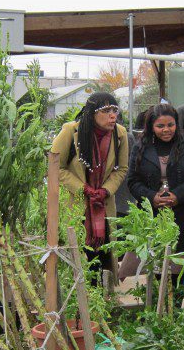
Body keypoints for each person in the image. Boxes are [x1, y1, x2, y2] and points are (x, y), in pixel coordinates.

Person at [50, 92, 129, 283]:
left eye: (115, 110)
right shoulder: (71, 131)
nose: (113, 116)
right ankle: (77, 305)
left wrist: (105, 190)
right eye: (106, 111)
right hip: (77, 205)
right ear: (92, 113)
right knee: (77, 256)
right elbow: (54, 166)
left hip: (103, 205)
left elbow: (122, 168)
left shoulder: (119, 134)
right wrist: (83, 188)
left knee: (101, 257)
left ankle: (99, 301)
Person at [126, 103, 184, 297]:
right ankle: (158, 310)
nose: (166, 130)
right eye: (160, 126)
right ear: (151, 127)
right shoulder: (140, 147)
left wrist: (178, 195)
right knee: (156, 267)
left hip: (182, 215)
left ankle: (174, 309)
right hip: (153, 216)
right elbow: (133, 181)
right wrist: (152, 197)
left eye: (170, 125)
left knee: (179, 267)